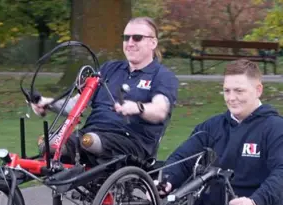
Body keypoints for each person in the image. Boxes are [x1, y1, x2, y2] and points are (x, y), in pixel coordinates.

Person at [158, 59, 283, 205]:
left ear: (258, 90)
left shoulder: (277, 128)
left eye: (239, 91)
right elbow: (183, 158)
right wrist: (166, 181)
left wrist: (255, 202)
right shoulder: (211, 127)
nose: (231, 98)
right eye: (227, 91)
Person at [31, 17, 179, 166]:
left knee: (90, 141)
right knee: (49, 143)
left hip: (130, 142)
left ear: (153, 43)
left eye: (137, 38)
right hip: (90, 134)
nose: (130, 43)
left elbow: (160, 110)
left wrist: (137, 107)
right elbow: (76, 104)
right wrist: (48, 103)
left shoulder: (162, 76)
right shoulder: (109, 68)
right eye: (126, 38)